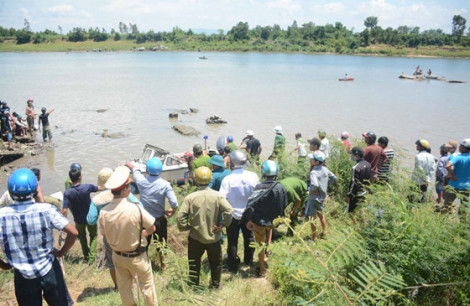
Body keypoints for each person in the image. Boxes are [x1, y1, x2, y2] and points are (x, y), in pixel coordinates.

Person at [0, 168, 78, 306]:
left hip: (22, 275)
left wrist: (4, 265)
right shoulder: (46, 210)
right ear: (35, 190)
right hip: (49, 269)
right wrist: (60, 252)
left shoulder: (2, 215)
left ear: (10, 192)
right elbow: (73, 232)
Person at [99, 166, 158, 306]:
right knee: (147, 288)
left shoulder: (104, 212)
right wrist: (144, 233)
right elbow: (152, 227)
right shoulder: (135, 208)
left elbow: (104, 234)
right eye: (128, 186)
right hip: (137, 257)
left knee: (124, 289)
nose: (130, 189)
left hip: (118, 257)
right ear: (124, 190)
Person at [87, 167, 143, 290]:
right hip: (128, 232)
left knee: (112, 263)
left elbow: (90, 221)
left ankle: (118, 286)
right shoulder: (126, 193)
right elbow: (140, 207)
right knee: (130, 257)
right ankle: (132, 285)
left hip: (109, 236)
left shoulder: (97, 200)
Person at [177, 166, 233, 288]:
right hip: (214, 237)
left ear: (196, 180)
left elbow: (180, 217)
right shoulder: (218, 196)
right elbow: (229, 210)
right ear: (210, 178)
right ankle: (215, 284)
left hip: (195, 237)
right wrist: (223, 224)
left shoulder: (190, 198)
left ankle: (194, 284)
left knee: (193, 263)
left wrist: (186, 227)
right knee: (216, 263)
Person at [125, 157, 178, 269]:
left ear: (147, 170)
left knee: (144, 243)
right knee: (162, 244)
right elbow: (174, 203)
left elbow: (135, 170)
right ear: (160, 170)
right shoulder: (165, 185)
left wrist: (128, 164)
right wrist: (172, 211)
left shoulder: (141, 181)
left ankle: (144, 264)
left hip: (145, 220)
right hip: (159, 220)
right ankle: (163, 265)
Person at [245, 160, 287, 277]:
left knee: (259, 245)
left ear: (263, 172)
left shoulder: (259, 187)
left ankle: (262, 269)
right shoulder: (280, 187)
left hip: (259, 221)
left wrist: (250, 220)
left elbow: (252, 205)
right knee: (269, 231)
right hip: (273, 221)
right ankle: (269, 249)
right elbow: (284, 204)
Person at [219, 150, 259, 272]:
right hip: (249, 213)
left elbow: (221, 198)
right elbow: (258, 195)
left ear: (232, 163)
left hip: (233, 214)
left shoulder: (228, 179)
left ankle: (232, 265)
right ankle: (249, 261)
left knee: (232, 241)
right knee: (249, 238)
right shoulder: (253, 176)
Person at [63, 167, 102, 263]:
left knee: (82, 237)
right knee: (93, 236)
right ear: (80, 177)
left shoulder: (67, 193)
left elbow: (64, 210)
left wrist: (63, 225)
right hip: (90, 218)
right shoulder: (86, 187)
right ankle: (92, 259)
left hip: (78, 220)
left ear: (70, 179)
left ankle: (86, 255)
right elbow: (100, 188)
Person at [305, 152, 336, 240]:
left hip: (314, 197)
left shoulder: (313, 172)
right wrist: (325, 185)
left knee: (312, 218)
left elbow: (315, 185)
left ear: (317, 162)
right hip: (322, 196)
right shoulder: (325, 169)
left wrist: (310, 191)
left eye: (312, 159)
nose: (310, 160)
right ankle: (324, 232)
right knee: (321, 214)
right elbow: (334, 177)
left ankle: (313, 237)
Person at [443, 139, 470, 221]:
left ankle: (442, 222)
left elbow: (448, 166)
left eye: (461, 146)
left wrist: (452, 175)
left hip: (454, 185)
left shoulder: (458, 157)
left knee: (447, 205)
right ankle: (462, 224)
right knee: (464, 207)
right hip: (466, 186)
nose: (460, 147)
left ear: (466, 148)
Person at [345, 147, 371, 223]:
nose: (351, 156)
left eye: (352, 154)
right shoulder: (368, 164)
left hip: (356, 193)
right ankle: (364, 224)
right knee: (361, 208)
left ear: (357, 156)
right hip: (364, 191)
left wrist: (348, 195)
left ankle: (355, 224)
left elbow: (354, 183)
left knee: (350, 211)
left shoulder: (355, 168)